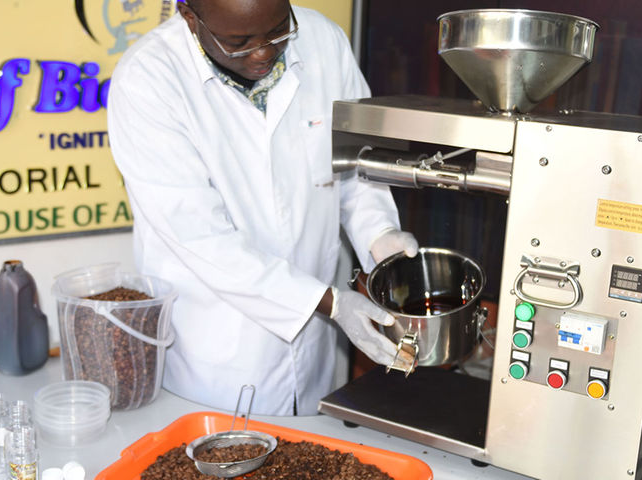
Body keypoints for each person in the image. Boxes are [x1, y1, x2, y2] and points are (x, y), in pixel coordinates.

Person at [107, 0, 418, 415]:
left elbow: (355, 165)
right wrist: (329, 303)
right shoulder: (148, 80)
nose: (263, 53)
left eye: (277, 31)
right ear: (189, 16)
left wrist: (379, 234)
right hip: (218, 355)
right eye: (238, 42)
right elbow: (199, 238)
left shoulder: (323, 40)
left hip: (316, 353)